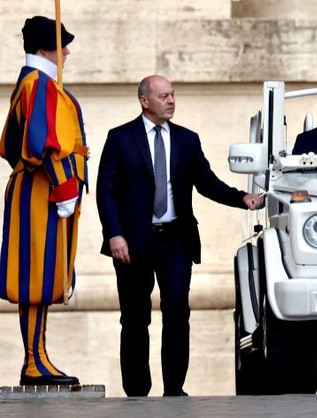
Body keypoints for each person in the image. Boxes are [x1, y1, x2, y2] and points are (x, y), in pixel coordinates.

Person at [96, 75, 263, 397]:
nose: (171, 101)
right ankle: (136, 391)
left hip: (175, 241)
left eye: (173, 94)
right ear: (145, 101)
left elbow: (207, 182)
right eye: (163, 96)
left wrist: (242, 197)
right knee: (134, 318)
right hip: (132, 243)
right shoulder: (120, 138)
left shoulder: (187, 139)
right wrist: (114, 235)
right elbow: (107, 193)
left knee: (176, 311)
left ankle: (174, 388)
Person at [0, 16, 87, 386]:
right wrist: (64, 186)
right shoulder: (39, 85)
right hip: (44, 191)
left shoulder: (35, 84)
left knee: (42, 274)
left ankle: (38, 356)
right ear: (42, 49)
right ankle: (34, 361)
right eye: (60, 45)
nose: (66, 51)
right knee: (36, 274)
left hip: (40, 189)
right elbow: (41, 142)